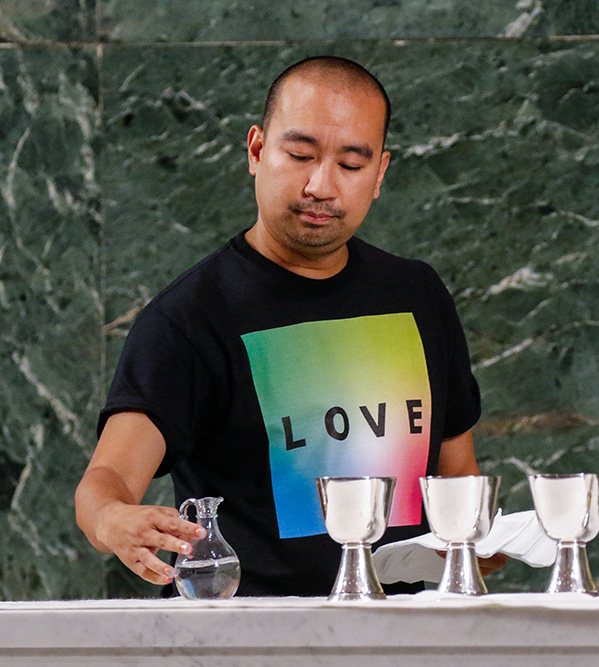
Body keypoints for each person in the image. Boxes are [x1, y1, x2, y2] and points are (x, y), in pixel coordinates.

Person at [75, 56, 504, 596]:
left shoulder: (416, 295)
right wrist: (111, 519)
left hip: (409, 633)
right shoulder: (190, 318)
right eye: (300, 155)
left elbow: (456, 474)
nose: (321, 185)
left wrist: (482, 542)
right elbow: (105, 481)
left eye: (351, 165)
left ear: (380, 175)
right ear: (256, 151)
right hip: (249, 637)